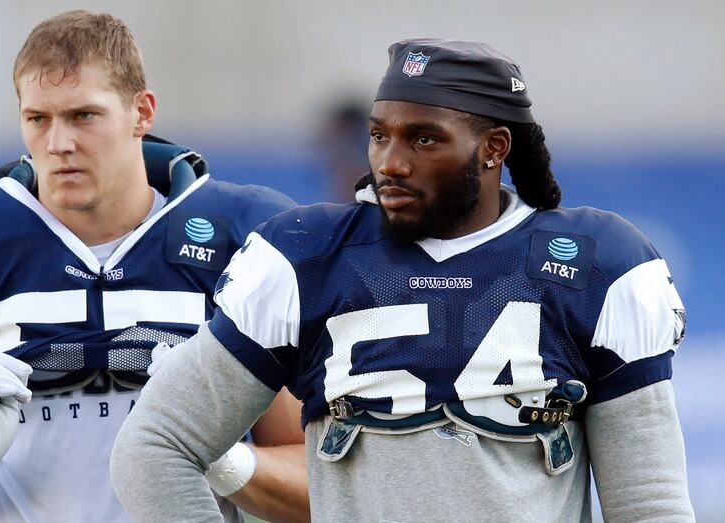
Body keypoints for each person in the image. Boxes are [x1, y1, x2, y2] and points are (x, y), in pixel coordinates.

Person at [111, 38, 695, 521]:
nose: (389, 161)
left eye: (423, 138)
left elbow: (650, 503)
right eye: (378, 135)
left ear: (492, 149)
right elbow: (155, 443)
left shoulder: (595, 266)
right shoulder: (307, 256)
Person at [0, 10, 310, 523]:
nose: (59, 144)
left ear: (142, 112)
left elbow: (319, 489)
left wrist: (222, 457)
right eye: (38, 119)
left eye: (83, 116)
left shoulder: (248, 243)